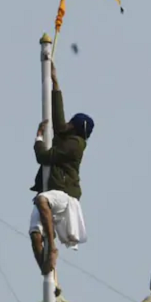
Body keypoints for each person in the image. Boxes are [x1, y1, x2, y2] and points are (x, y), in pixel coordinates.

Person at [29, 62, 93, 277]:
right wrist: (55, 83)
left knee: (42, 200)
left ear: (75, 128)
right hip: (53, 191)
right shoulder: (68, 137)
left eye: (70, 124)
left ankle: (52, 246)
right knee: (34, 235)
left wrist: (39, 137)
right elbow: (58, 122)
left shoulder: (74, 145)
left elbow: (44, 156)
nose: (65, 125)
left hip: (64, 195)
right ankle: (46, 270)